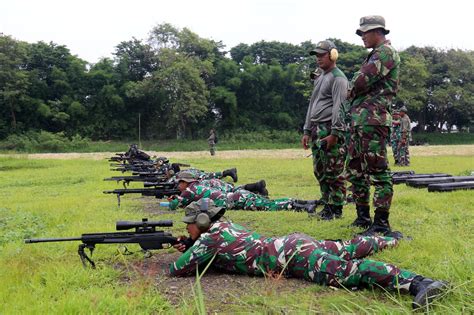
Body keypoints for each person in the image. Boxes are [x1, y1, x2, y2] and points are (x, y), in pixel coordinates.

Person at [170, 199, 448, 310]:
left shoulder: (208, 239)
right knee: (346, 247)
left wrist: (188, 248)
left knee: (346, 272)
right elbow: (223, 249)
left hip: (292, 258)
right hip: (292, 243)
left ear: (204, 221)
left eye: (190, 223)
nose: (188, 227)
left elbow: (177, 270)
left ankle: (419, 283)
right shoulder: (225, 226)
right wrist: (192, 243)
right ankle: (390, 239)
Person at [345, 16, 400, 235]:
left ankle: (381, 223)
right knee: (356, 169)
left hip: (373, 119)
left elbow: (359, 82)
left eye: (364, 33)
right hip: (362, 120)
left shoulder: (385, 53)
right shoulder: (374, 54)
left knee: (377, 171)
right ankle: (362, 217)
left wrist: (353, 86)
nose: (362, 38)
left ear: (378, 31)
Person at [302, 40, 348, 221]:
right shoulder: (320, 76)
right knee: (320, 169)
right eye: (316, 55)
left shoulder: (339, 78)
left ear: (333, 55)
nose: (318, 59)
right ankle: (327, 203)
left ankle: (336, 208)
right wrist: (306, 130)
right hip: (316, 129)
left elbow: (340, 107)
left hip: (330, 128)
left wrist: (335, 133)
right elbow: (312, 104)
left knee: (334, 171)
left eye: (322, 55)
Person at [168, 171, 319, 213]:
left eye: (179, 183)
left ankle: (303, 207)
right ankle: (305, 203)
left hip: (235, 200)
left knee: (269, 206)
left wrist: (172, 200)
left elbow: (174, 206)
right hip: (236, 196)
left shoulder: (188, 191)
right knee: (268, 202)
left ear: (185, 182)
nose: (178, 186)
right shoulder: (197, 186)